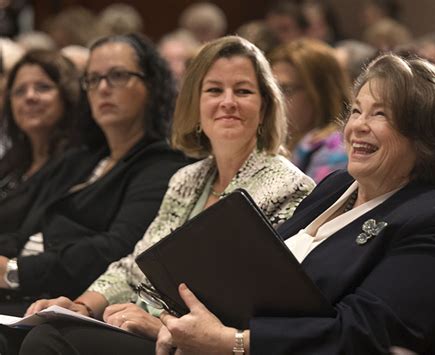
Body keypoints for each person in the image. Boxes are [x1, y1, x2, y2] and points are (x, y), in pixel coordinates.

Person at [152, 54, 435, 354]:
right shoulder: (337, 186)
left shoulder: (433, 223)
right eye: (357, 110)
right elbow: (253, 280)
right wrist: (185, 324)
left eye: (380, 114)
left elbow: (366, 336)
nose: (357, 125)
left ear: (427, 139)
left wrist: (233, 342)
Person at [18, 35, 315, 355]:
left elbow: (258, 305)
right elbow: (137, 265)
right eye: (214, 90)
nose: (228, 102)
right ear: (195, 105)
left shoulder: (289, 186)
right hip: (145, 324)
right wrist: (82, 306)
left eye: (243, 91)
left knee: (49, 341)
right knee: (36, 330)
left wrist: (160, 323)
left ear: (265, 107)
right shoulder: (187, 178)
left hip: (204, 344)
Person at [0, 33, 187, 318]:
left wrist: (15, 271)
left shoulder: (162, 164)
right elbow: (25, 227)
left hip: (68, 301)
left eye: (118, 76)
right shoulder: (82, 158)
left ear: (151, 85)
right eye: (93, 79)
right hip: (23, 290)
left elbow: (116, 248)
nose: (103, 88)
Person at [0, 49, 81, 234]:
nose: (30, 97)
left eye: (43, 87)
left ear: (67, 95)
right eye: (19, 91)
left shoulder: (77, 164)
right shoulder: (13, 159)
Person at [269, 38, 351, 183]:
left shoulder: (336, 151)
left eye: (285, 89)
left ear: (320, 93)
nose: (274, 100)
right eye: (271, 89)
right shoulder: (280, 142)